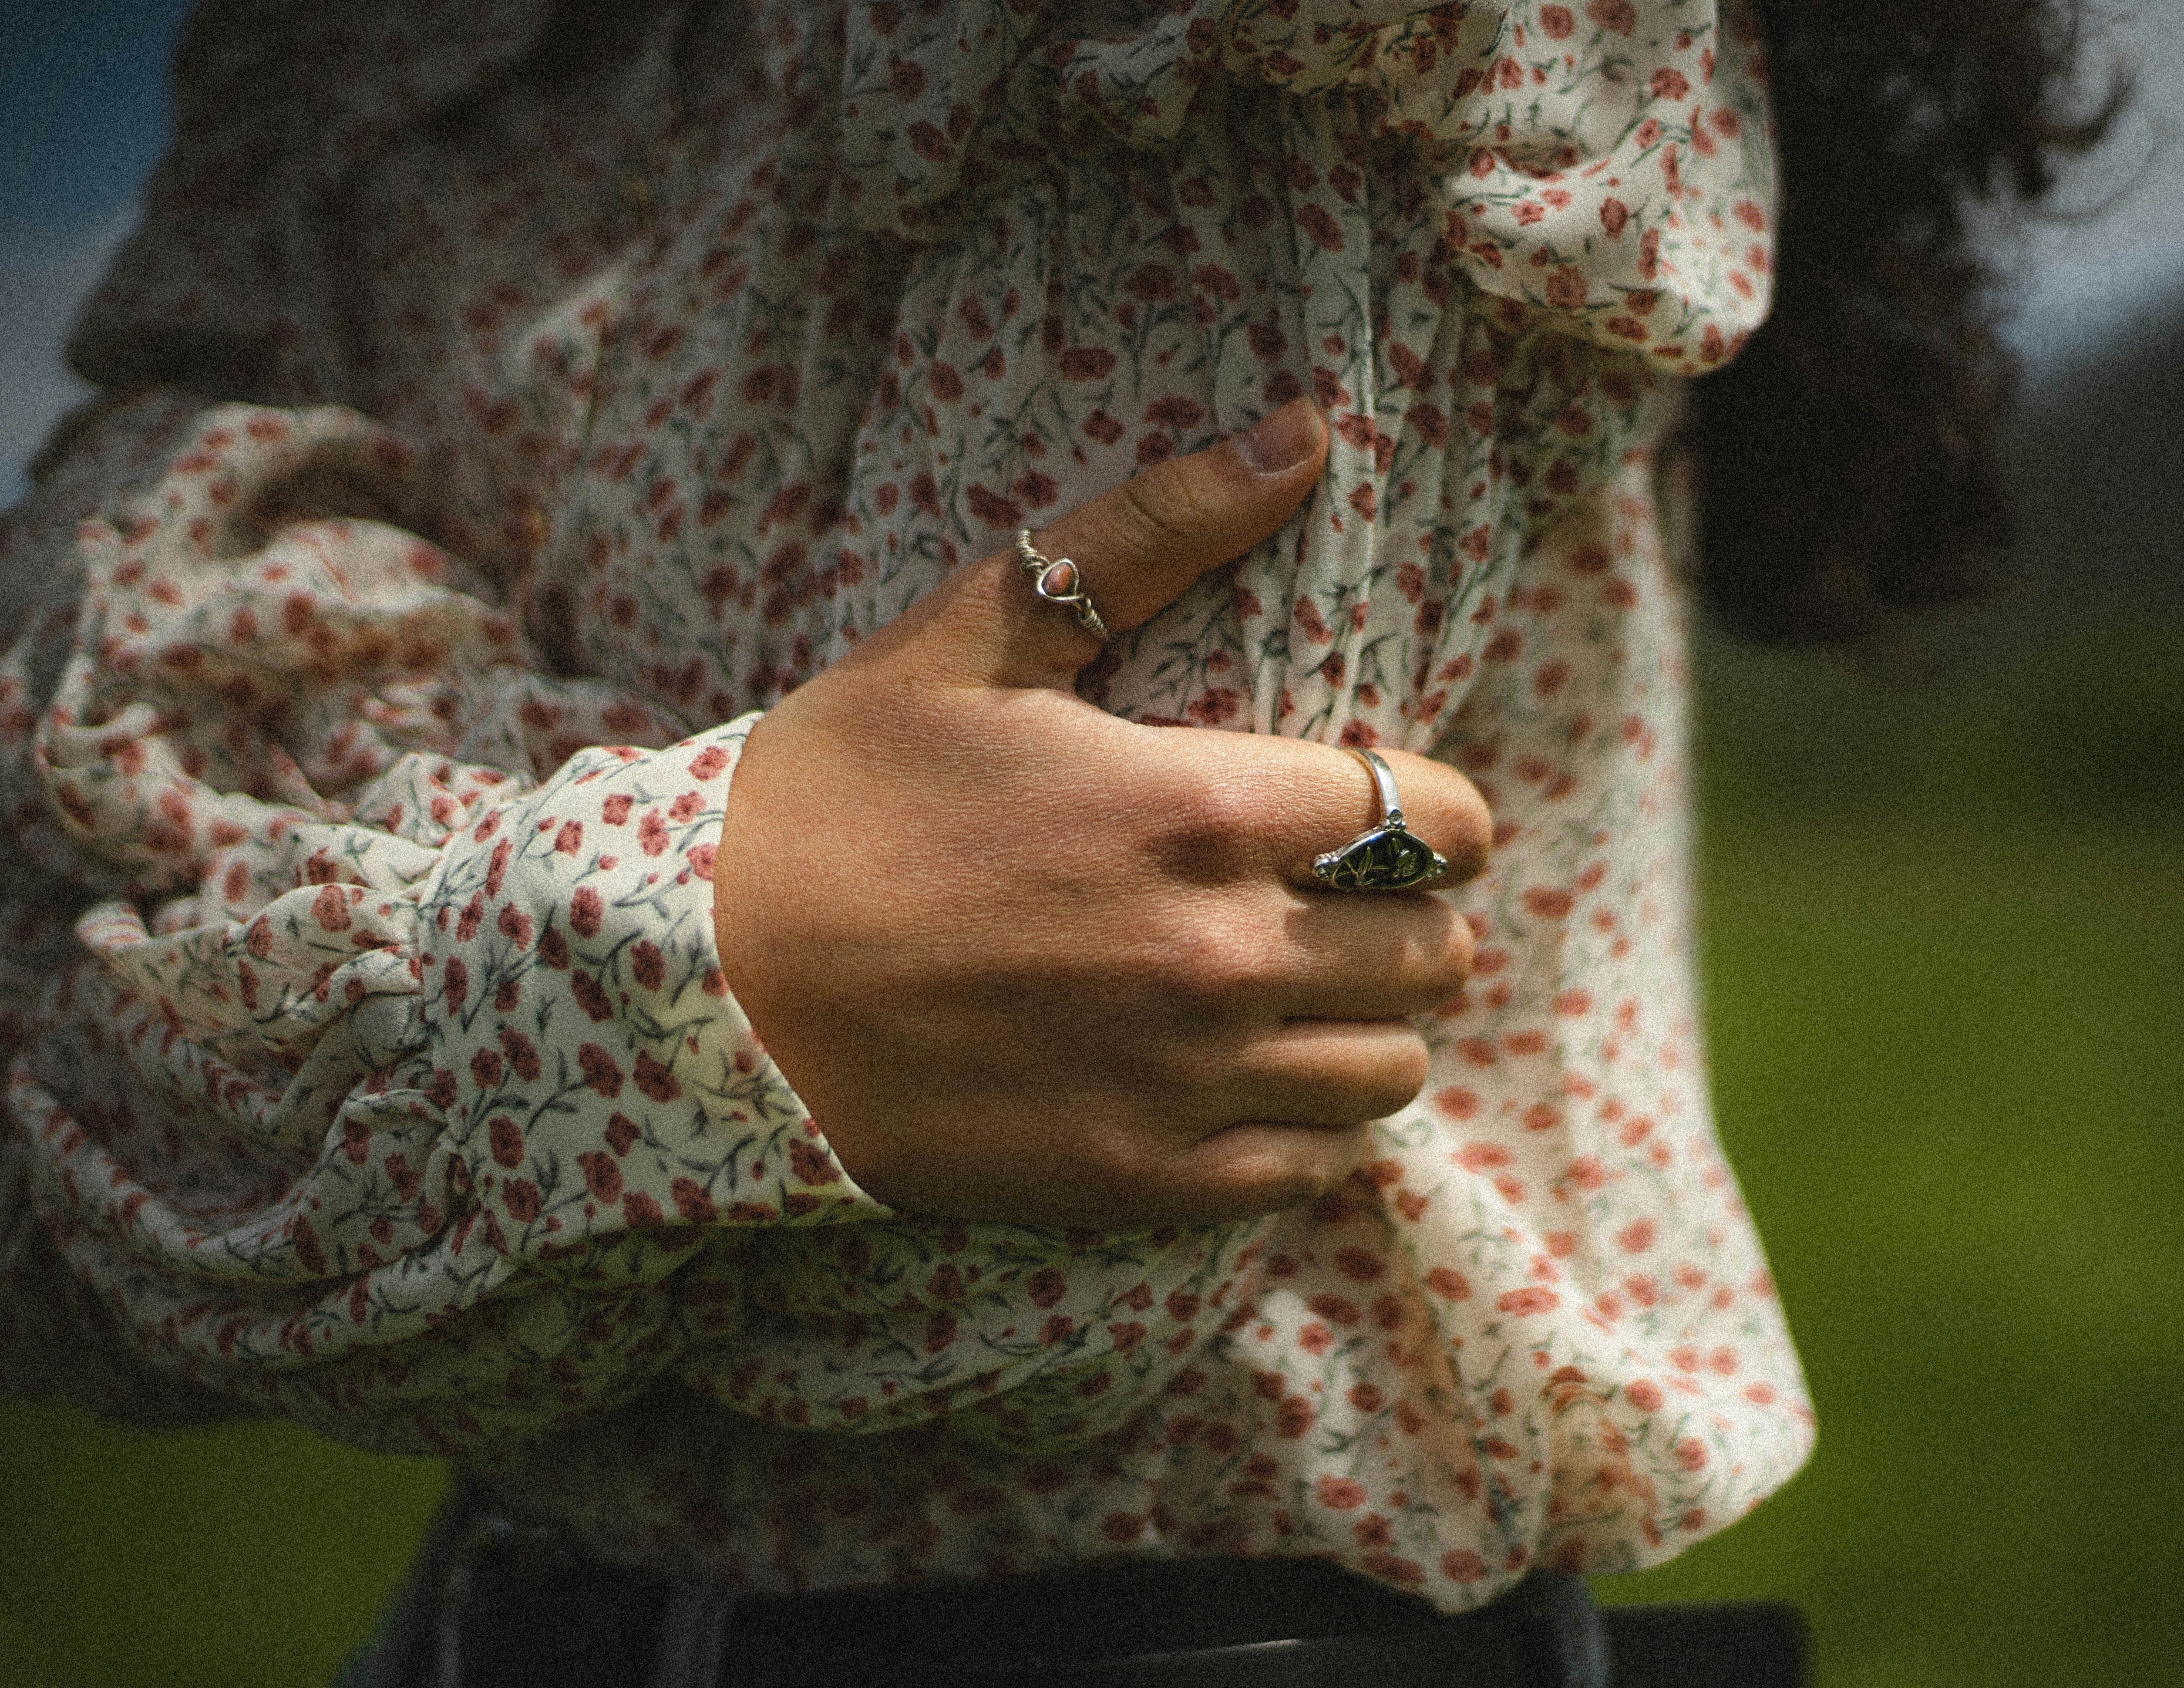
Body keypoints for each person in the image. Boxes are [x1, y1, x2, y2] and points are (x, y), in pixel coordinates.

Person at [0, 0, 2099, 1683]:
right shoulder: (350, 60)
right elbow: (42, 1056)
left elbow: (985, 1282)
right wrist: (701, 940)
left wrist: (337, 931)